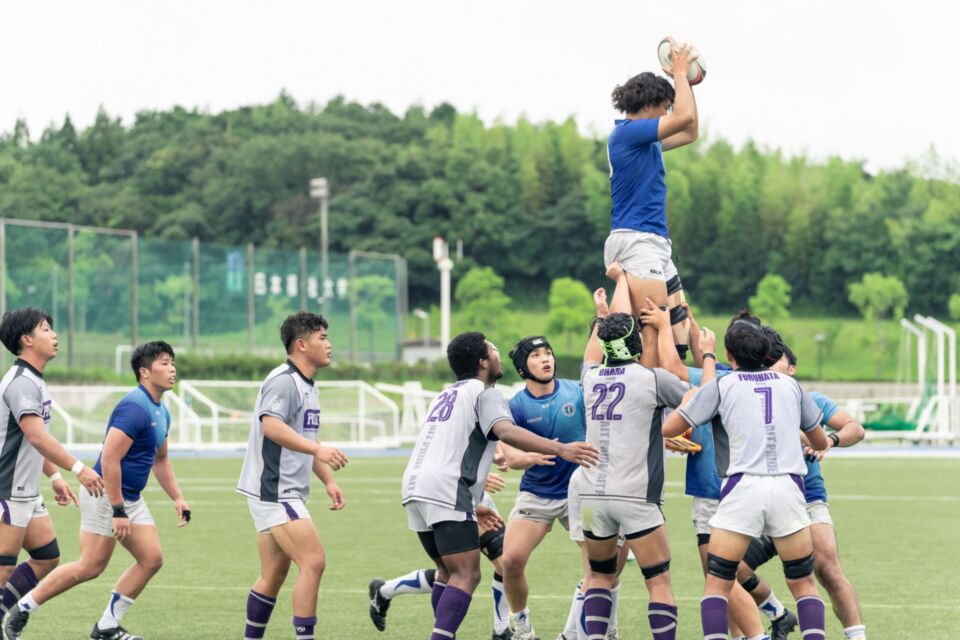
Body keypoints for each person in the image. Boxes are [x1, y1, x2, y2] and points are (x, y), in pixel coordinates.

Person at [401, 331, 599, 640]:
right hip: (446, 489)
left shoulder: (445, 393)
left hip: (415, 487)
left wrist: (471, 503)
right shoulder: (485, 392)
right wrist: (560, 448)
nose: (497, 355)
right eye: (492, 351)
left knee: (447, 572)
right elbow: (505, 431)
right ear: (483, 362)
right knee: (467, 574)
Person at [4, 341, 190, 640]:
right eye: (165, 363)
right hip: (106, 494)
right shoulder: (134, 407)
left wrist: (178, 497)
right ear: (144, 372)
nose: (172, 369)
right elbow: (110, 459)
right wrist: (118, 509)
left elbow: (161, 459)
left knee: (152, 559)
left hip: (130, 497)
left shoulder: (161, 411)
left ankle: (106, 627)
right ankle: (24, 607)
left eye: (172, 363)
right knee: (90, 566)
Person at [662, 320, 830, 640]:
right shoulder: (790, 386)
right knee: (803, 582)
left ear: (729, 354)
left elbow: (668, 430)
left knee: (718, 582)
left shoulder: (723, 386)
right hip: (788, 488)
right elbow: (819, 443)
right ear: (768, 352)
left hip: (743, 489)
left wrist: (686, 403)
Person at [572, 265, 697, 640]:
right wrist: (660, 328)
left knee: (598, 576)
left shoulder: (589, 377)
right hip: (635, 495)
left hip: (592, 495)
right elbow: (688, 389)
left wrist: (606, 309)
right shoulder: (651, 379)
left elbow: (595, 349)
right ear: (636, 344)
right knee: (658, 580)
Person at [736, 344, 868, 640]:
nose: (769, 365)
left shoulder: (810, 400)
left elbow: (855, 429)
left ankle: (857, 636)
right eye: (765, 360)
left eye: (777, 360)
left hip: (807, 499)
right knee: (731, 566)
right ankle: (778, 614)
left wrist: (829, 441)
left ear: (792, 369)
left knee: (827, 568)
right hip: (764, 499)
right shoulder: (752, 398)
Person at [236, 312, 348, 640]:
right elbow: (271, 426)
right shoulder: (284, 380)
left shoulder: (307, 385)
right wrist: (317, 451)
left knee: (272, 576)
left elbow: (302, 437)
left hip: (278, 491)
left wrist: (328, 480)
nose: (329, 344)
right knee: (313, 562)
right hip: (274, 491)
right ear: (301, 345)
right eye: (322, 338)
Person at [0, 308, 104, 631]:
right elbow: (35, 436)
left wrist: (55, 476)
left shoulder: (35, 381)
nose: (54, 335)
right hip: (8, 490)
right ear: (26, 340)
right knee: (3, 569)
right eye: (46, 329)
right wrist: (77, 468)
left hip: (27, 492)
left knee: (47, 556)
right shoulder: (21, 384)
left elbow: (33, 440)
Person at [498, 335, 603, 640]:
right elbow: (509, 455)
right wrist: (528, 456)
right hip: (538, 492)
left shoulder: (577, 391)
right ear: (522, 369)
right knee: (511, 561)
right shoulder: (516, 406)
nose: (545, 359)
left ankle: (580, 631)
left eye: (548, 353)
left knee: (597, 570)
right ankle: (521, 624)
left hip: (580, 491)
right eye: (536, 356)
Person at [604, 43, 701, 368]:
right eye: (664, 107)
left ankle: (668, 398)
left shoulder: (647, 140)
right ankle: (648, 404)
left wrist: (685, 82)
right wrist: (678, 74)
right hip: (636, 240)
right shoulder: (628, 134)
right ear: (649, 105)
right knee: (651, 329)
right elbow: (684, 116)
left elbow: (690, 131)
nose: (667, 113)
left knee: (677, 332)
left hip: (655, 243)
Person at [368, 474, 514, 639]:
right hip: (450, 491)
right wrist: (474, 474)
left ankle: (384, 590)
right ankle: (499, 630)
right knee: (461, 572)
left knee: (460, 570)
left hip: (456, 490)